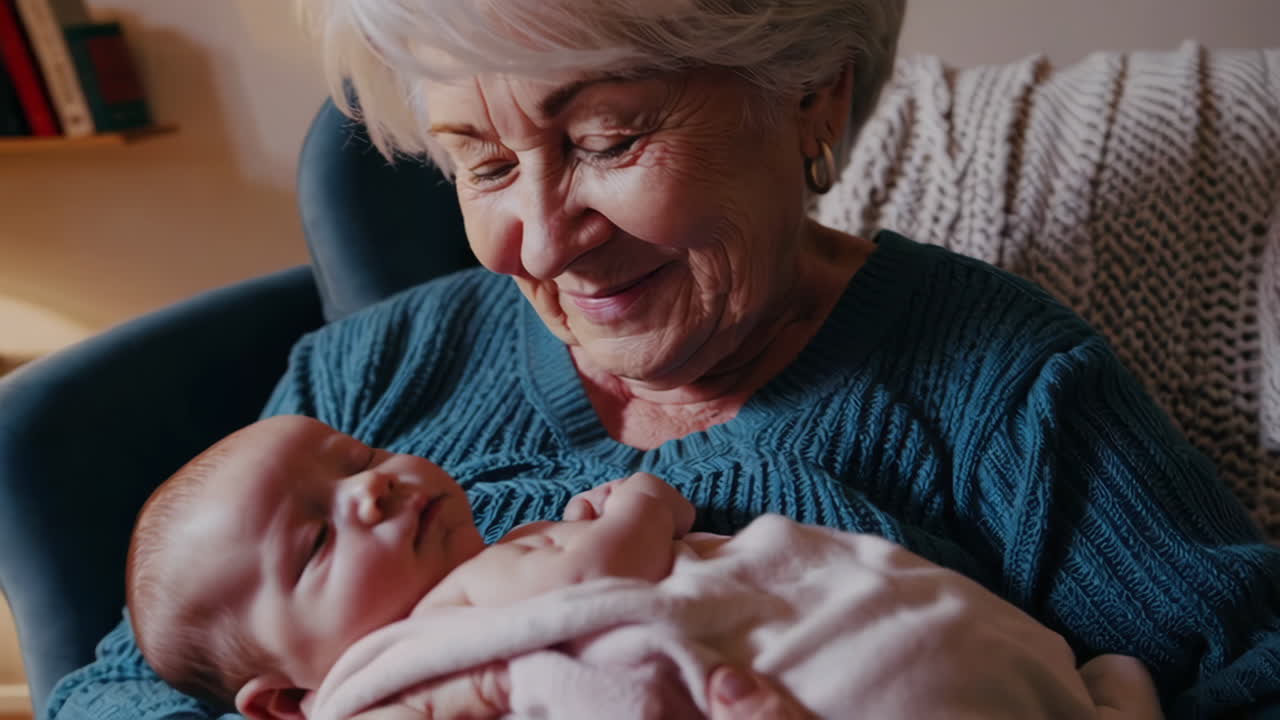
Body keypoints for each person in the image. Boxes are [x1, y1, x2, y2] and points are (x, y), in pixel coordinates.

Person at [47, 1, 1280, 718]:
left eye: (604, 136)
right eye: (479, 162)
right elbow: (116, 690)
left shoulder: (998, 384)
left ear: (808, 97)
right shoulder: (361, 388)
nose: (535, 236)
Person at [127, 415, 1160, 720]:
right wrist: (642, 507)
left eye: (358, 456)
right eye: (316, 541)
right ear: (280, 703)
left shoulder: (1010, 386)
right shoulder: (421, 642)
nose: (375, 489)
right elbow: (587, 589)